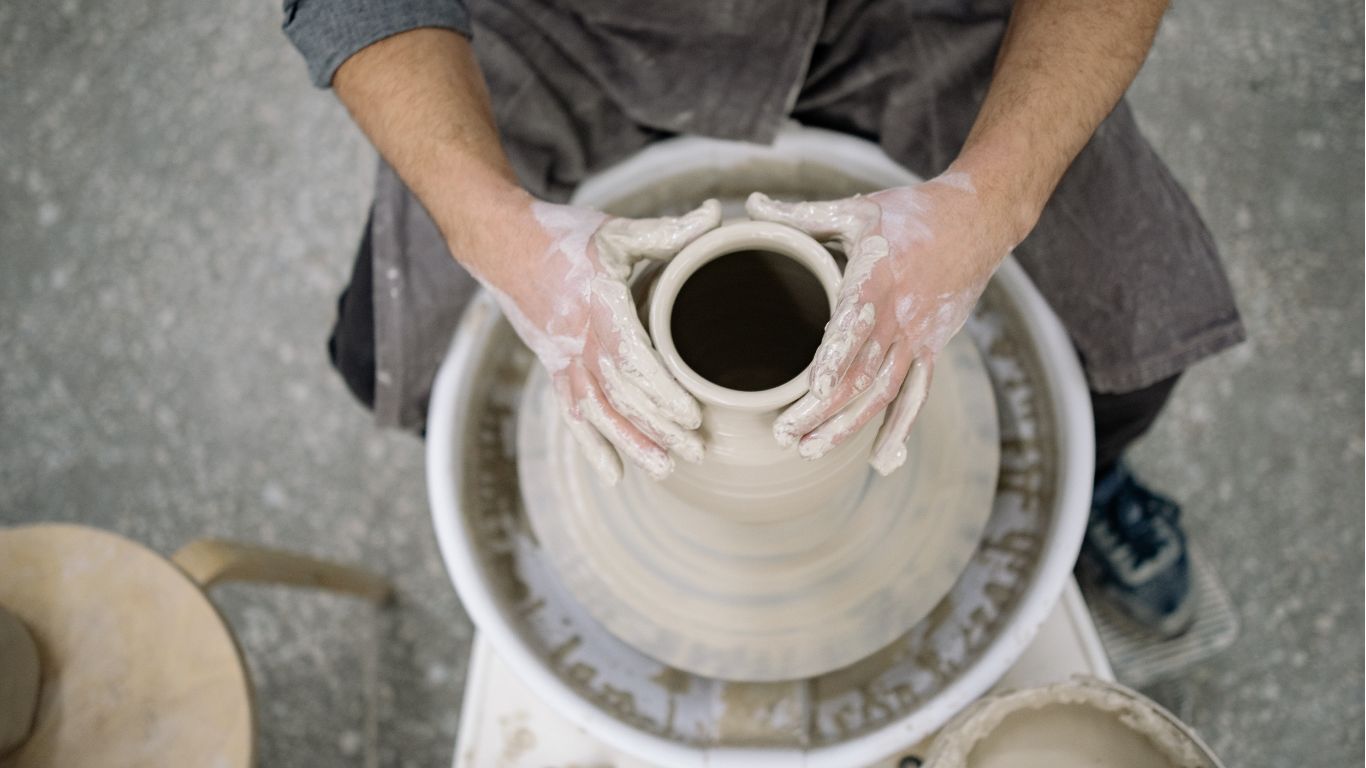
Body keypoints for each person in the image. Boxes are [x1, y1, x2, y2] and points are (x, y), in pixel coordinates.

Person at [281, 0, 1244, 637]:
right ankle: (565, 514)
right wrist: (498, 235)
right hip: (546, 19)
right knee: (391, 355)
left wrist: (989, 203)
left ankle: (1092, 489)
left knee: (1132, 325)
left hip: (898, 10)